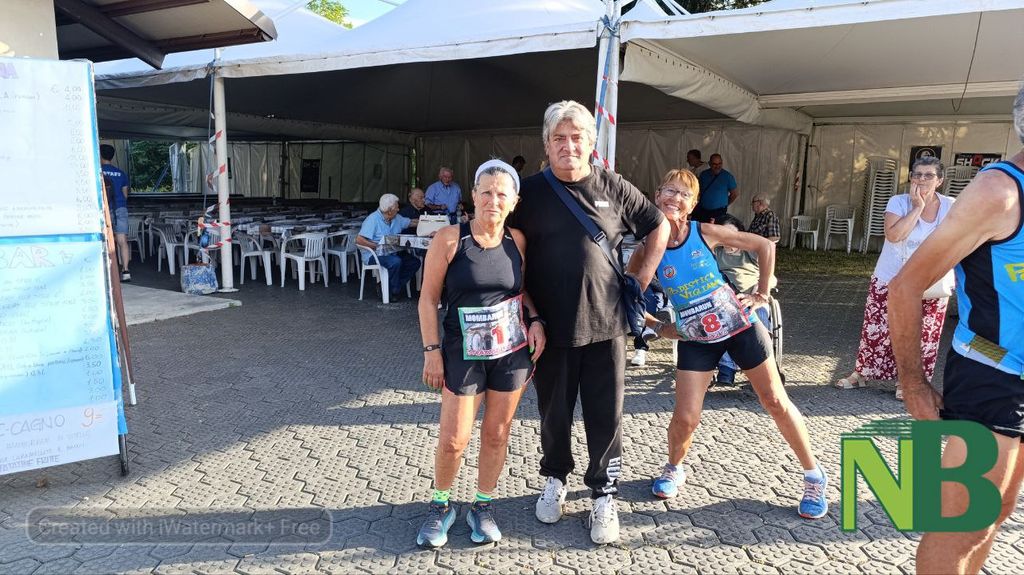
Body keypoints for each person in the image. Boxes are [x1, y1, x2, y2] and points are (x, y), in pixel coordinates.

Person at [508, 100, 670, 545]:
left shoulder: (612, 186)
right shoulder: (527, 193)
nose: (568, 146)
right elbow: (510, 255)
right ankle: (555, 478)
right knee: (553, 412)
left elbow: (658, 226)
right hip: (549, 329)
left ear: (591, 143)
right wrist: (527, 312)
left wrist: (640, 278)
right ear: (546, 145)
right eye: (559, 138)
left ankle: (604, 492)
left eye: (577, 137)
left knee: (606, 415)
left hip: (607, 324)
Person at [628, 168, 828, 519]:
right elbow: (626, 296)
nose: (675, 198)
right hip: (696, 337)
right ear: (656, 196)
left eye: (684, 194)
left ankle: (814, 476)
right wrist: (659, 327)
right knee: (686, 417)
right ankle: (673, 468)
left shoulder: (702, 232)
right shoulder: (646, 248)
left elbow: (764, 245)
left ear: (692, 205)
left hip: (740, 326)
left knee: (775, 401)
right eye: (669, 190)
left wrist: (762, 293)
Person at [889, 85, 1024, 575]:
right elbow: (906, 286)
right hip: (993, 372)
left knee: (995, 517)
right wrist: (913, 384)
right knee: (963, 526)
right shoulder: (999, 193)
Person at [416, 159, 546, 548]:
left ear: (514, 201)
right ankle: (441, 504)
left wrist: (536, 319)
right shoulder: (449, 239)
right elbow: (427, 300)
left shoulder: (517, 241)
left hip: (510, 353)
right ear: (473, 195)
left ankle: (483, 505)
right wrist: (431, 351)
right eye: (485, 192)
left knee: (496, 433)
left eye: (501, 194)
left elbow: (521, 291)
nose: (493, 200)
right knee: (454, 439)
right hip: (462, 354)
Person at [836, 156, 954, 399]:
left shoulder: (951, 206)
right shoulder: (898, 202)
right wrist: (917, 208)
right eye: (917, 174)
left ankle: (908, 381)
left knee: (924, 334)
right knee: (877, 329)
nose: (922, 179)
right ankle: (862, 373)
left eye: (929, 175)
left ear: (939, 181)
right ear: (911, 178)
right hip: (891, 277)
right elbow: (894, 235)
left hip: (930, 281)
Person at [711, 214, 777, 385]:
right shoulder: (715, 253)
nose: (729, 239)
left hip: (752, 296)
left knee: (757, 313)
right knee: (722, 318)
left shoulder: (752, 253)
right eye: (724, 234)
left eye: (733, 234)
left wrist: (759, 292)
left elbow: (771, 278)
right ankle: (727, 367)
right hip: (725, 299)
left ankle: (762, 365)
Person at [356, 194, 422, 300]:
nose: (399, 209)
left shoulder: (396, 218)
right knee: (395, 262)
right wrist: (377, 246)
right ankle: (393, 292)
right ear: (390, 211)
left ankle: (387, 287)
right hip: (374, 254)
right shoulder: (372, 219)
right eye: (397, 207)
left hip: (391, 252)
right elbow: (359, 240)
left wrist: (427, 221)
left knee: (414, 262)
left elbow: (411, 222)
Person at [100, 144, 131, 282]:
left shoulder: (98, 172)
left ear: (100, 156)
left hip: (106, 210)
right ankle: (126, 271)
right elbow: (125, 195)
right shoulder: (121, 173)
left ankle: (108, 272)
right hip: (121, 208)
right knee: (122, 241)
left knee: (106, 241)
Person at [694, 153, 738, 224]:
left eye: (719, 163)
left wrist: (725, 204)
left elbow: (735, 194)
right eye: (714, 164)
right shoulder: (703, 174)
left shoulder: (727, 176)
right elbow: (698, 190)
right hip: (703, 211)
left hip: (719, 212)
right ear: (709, 164)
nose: (717, 166)